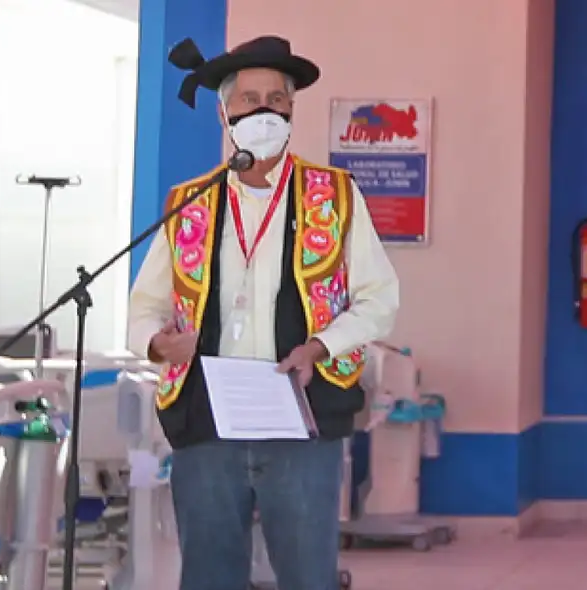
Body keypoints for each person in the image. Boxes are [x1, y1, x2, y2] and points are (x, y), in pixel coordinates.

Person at [128, 36, 399, 590]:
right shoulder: (191, 202)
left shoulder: (335, 195)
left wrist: (322, 345)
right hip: (207, 423)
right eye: (251, 98)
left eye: (278, 98)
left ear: (292, 110)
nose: (265, 109)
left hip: (303, 420)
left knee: (307, 575)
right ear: (226, 112)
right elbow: (145, 308)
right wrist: (158, 344)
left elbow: (379, 299)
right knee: (208, 574)